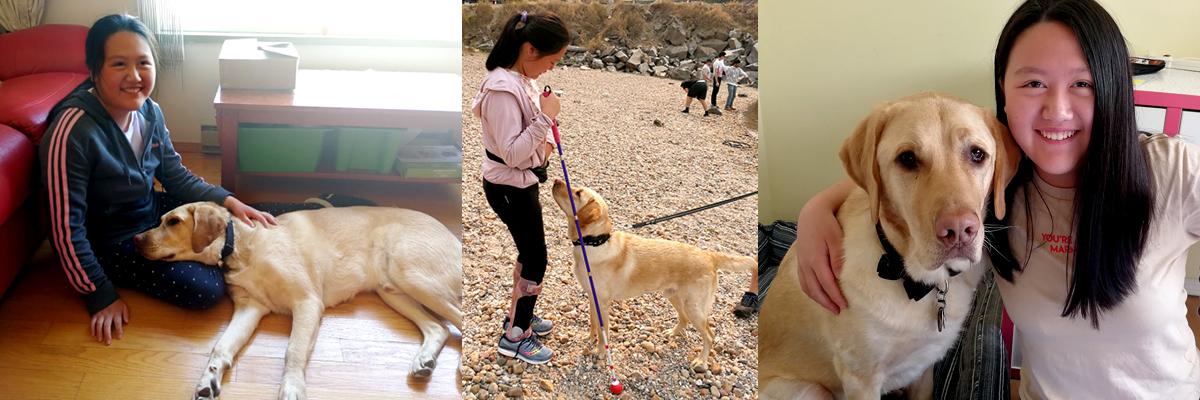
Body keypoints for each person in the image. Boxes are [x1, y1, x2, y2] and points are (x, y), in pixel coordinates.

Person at [788, 1, 1200, 399]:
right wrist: (815, 210)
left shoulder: (1172, 170)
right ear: (1003, 90)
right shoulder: (1007, 183)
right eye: (1034, 83)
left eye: (1083, 83)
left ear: (1113, 85)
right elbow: (883, 175)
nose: (1057, 110)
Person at [39, 14, 279, 346]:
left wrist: (228, 199)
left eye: (143, 63)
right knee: (206, 290)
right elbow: (64, 229)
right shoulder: (72, 132)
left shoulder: (150, 111)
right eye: (119, 64)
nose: (134, 76)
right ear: (94, 69)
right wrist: (99, 294)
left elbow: (175, 176)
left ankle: (322, 204)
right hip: (112, 241)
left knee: (239, 217)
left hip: (151, 210)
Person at [471, 10, 569, 365]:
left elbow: (528, 150)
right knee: (536, 258)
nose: (551, 69)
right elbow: (513, 153)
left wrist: (542, 135)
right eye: (552, 61)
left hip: (519, 183)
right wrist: (546, 118)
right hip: (510, 187)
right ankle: (515, 336)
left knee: (530, 253)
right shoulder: (500, 90)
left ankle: (519, 314)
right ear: (530, 50)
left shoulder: (516, 79)